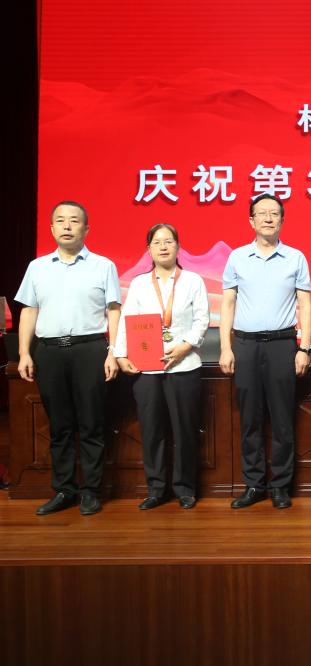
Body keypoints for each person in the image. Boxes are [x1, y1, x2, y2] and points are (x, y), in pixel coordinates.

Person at [15, 200, 121, 516]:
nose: (66, 226)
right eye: (60, 220)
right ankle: (64, 490)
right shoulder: (37, 267)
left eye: (74, 220)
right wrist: (24, 352)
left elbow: (113, 311)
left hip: (90, 349)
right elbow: (29, 311)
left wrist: (113, 351)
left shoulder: (103, 266)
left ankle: (91, 491)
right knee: (59, 426)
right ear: (51, 228)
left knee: (91, 424)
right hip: (48, 352)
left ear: (86, 229)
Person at [220, 193, 311, 510]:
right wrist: (226, 348)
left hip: (282, 345)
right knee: (250, 419)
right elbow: (228, 304)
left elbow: (304, 306)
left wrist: (304, 348)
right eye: (262, 213)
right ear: (251, 221)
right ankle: (253, 484)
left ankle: (281, 486)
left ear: (282, 221)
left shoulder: (296, 258)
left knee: (283, 419)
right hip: (245, 345)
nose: (269, 218)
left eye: (274, 213)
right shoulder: (237, 257)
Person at [112, 223, 210, 510]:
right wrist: (120, 354)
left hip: (185, 365)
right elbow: (127, 321)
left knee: (185, 430)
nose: (163, 246)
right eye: (157, 242)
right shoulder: (140, 283)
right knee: (152, 430)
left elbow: (202, 319)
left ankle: (185, 488)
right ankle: (156, 489)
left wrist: (185, 346)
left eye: (169, 241)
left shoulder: (192, 280)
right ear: (149, 249)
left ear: (178, 247)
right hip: (147, 368)